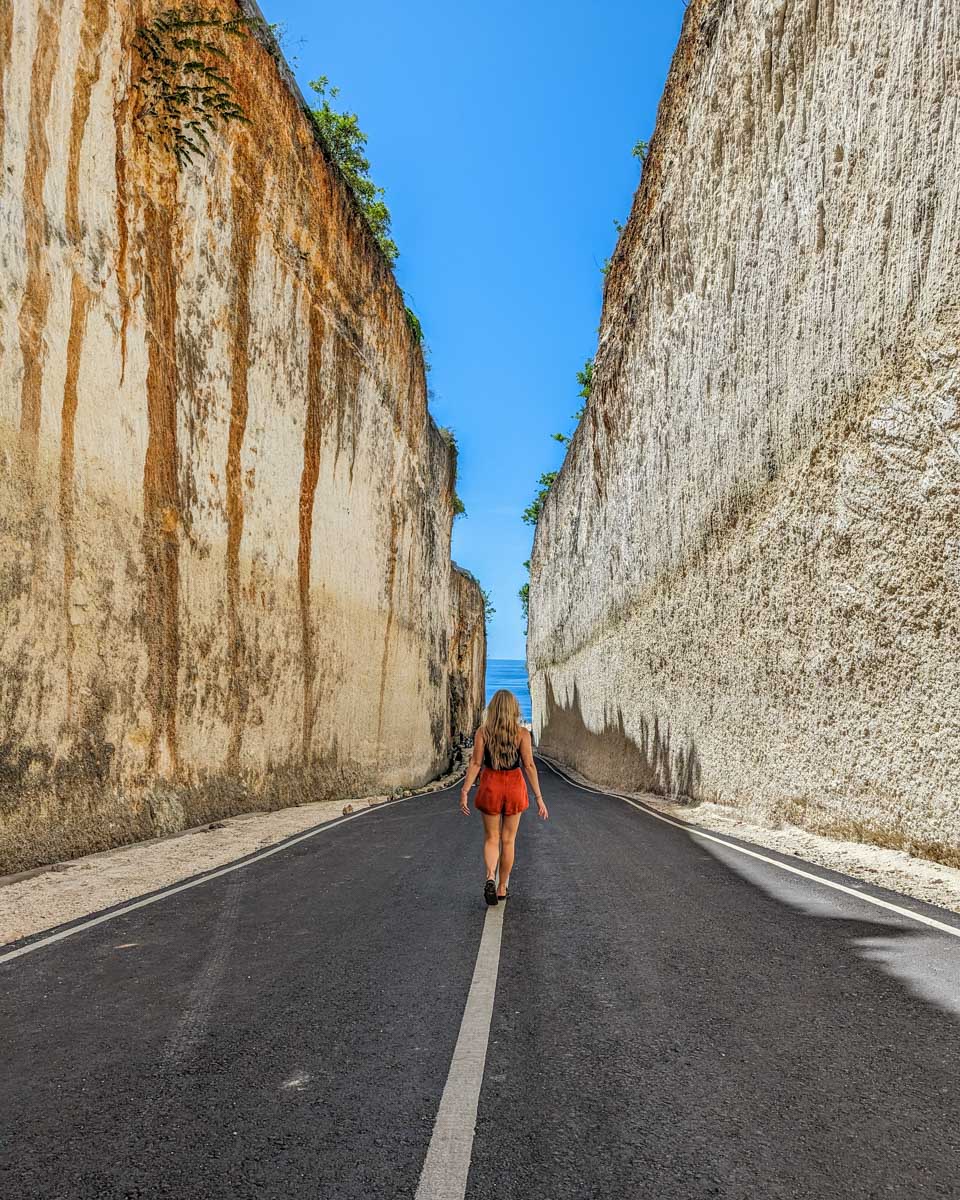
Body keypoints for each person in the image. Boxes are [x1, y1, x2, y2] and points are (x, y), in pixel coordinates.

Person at [459, 689, 548, 905]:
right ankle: (501, 887)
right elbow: (528, 766)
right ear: (513, 710)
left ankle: (490, 876)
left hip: (491, 784)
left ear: (493, 709)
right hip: (515, 785)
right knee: (508, 841)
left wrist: (465, 790)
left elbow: (476, 763)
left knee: (492, 838)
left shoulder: (483, 732)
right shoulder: (522, 734)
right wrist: (539, 797)